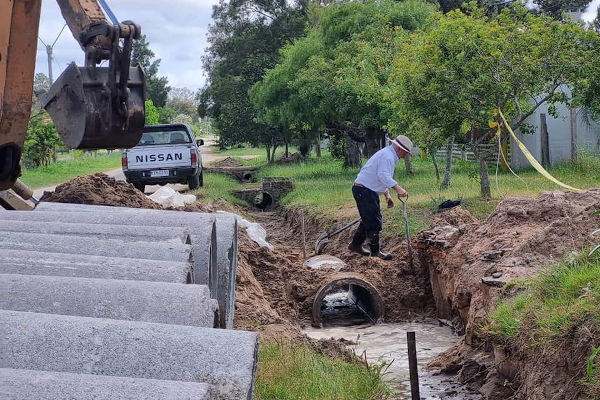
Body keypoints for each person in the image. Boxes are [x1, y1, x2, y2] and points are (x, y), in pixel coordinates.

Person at [349, 135, 412, 260]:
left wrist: (387, 195)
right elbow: (383, 175)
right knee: (374, 222)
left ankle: (355, 245)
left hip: (366, 190)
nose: (405, 156)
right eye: (405, 153)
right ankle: (375, 252)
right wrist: (398, 189)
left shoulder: (388, 155)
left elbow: (381, 177)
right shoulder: (388, 157)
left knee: (369, 219)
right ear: (401, 150)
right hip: (364, 190)